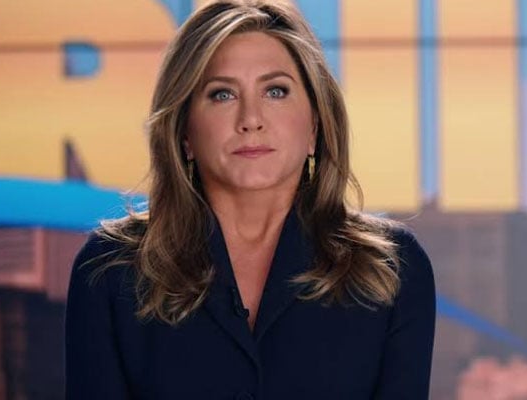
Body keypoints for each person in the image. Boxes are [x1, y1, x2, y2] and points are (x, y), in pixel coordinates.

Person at [65, 0, 435, 399]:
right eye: (222, 94)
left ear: (314, 125)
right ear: (185, 132)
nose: (251, 119)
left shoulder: (391, 270)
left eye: (276, 91)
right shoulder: (110, 271)